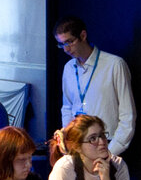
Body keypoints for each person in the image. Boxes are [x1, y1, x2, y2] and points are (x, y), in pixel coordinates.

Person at [55, 16, 136, 158]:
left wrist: (109, 153)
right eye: (62, 44)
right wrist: (69, 140)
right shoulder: (68, 68)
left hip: (106, 145)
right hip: (79, 148)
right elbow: (67, 107)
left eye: (69, 42)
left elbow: (127, 116)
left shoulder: (114, 65)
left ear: (83, 35)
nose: (66, 49)